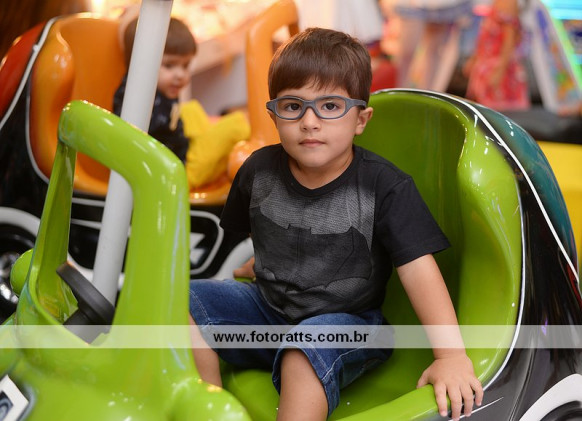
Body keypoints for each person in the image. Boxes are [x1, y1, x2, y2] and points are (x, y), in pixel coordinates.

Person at [189, 27, 483, 420]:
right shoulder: (257, 172)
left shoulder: (384, 186)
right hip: (269, 312)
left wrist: (450, 355)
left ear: (361, 119)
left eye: (330, 106)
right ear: (273, 114)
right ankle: (208, 408)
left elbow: (419, 271)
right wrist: (259, 267)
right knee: (180, 300)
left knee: (303, 350)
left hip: (351, 324)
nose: (309, 121)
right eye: (293, 106)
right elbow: (261, 234)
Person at [113, 16, 197, 162]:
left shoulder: (166, 87)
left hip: (176, 156)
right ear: (141, 62)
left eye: (185, 65)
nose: (180, 75)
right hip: (155, 165)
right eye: (169, 65)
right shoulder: (133, 95)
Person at [463, 0, 530, 110]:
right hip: (487, 66)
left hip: (498, 69)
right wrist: (474, 58)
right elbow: (486, 36)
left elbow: (509, 41)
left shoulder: (508, 3)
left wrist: (500, 72)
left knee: (498, 113)